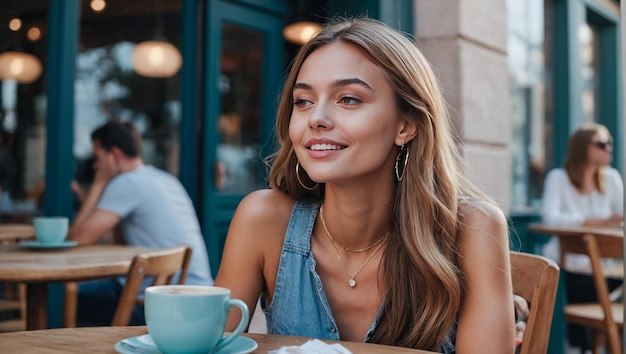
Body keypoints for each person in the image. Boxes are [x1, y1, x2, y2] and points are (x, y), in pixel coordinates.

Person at [214, 18, 515, 353]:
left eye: (349, 99)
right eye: (303, 101)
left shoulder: (473, 229)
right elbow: (208, 346)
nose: (316, 118)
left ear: (406, 125)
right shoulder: (264, 220)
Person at [67, 120, 213, 326]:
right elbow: (121, 242)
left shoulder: (126, 182)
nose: (95, 166)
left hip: (159, 306)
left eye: (98, 158)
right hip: (198, 300)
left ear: (115, 155)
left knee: (60, 298)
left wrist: (99, 184)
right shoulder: (165, 179)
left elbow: (76, 239)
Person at [540, 122, 623, 352]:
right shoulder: (559, 178)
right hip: (572, 267)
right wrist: (598, 221)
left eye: (610, 143)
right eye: (601, 144)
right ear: (583, 148)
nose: (608, 149)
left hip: (610, 269)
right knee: (584, 331)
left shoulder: (613, 179)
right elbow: (549, 217)